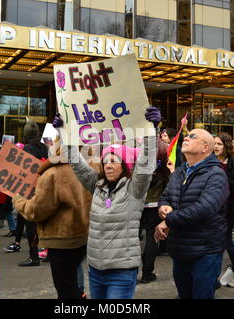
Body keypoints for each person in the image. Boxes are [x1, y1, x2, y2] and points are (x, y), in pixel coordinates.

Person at [54, 107, 159, 299]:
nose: (108, 165)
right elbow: (76, 163)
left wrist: (151, 130)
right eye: (105, 161)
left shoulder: (135, 189)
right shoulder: (97, 185)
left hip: (122, 271)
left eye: (114, 160)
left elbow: (146, 163)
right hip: (95, 270)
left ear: (125, 165)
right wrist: (64, 132)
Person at [12, 137, 93, 299]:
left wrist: (18, 200)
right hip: (83, 236)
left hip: (61, 239)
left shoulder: (54, 173)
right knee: (72, 285)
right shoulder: (89, 167)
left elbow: (37, 210)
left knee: (65, 290)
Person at [155, 129, 229, 299]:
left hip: (205, 251)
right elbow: (166, 196)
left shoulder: (216, 175)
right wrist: (163, 208)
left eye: (192, 136)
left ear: (205, 147)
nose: (186, 137)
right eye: (187, 136)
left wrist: (169, 219)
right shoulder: (180, 171)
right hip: (180, 248)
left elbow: (205, 208)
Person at [5, 120, 49, 267]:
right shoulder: (45, 147)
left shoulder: (27, 149)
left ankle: (34, 255)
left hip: (31, 191)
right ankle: (50, 252)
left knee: (31, 226)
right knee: (45, 223)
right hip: (45, 189)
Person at [214, 133, 234, 287]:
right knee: (215, 243)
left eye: (219, 144)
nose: (216, 147)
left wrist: (222, 176)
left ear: (226, 146)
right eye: (214, 144)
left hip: (227, 210)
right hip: (212, 209)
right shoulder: (210, 161)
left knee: (226, 241)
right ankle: (214, 277)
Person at [139, 136, 170, 284]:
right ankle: (147, 273)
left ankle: (131, 272)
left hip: (136, 198)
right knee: (152, 236)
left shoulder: (132, 141)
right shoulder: (162, 146)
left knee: (133, 236)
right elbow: (166, 173)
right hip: (154, 198)